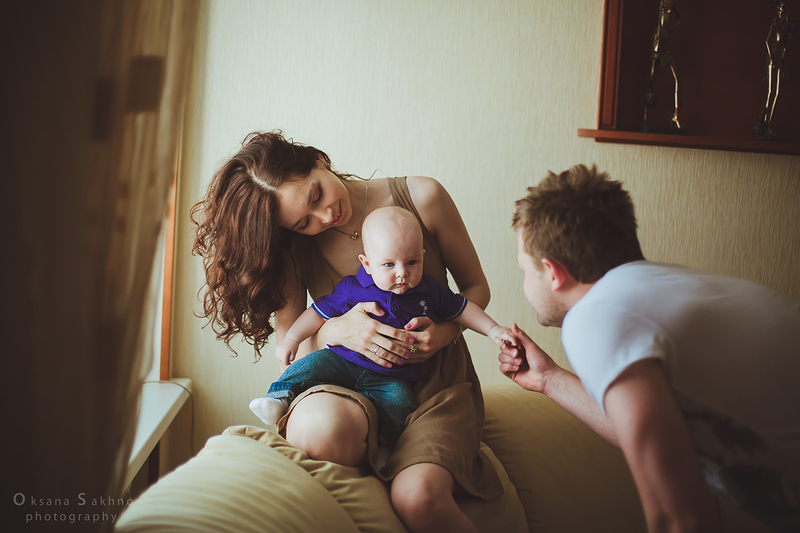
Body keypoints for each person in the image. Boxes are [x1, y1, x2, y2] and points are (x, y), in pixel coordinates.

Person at [191, 131, 503, 533]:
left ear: (319, 161)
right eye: (303, 222)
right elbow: (293, 347)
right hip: (348, 380)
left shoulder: (422, 197)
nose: (324, 217)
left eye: (317, 195)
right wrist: (337, 331)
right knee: (318, 429)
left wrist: (443, 334)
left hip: (435, 384)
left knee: (419, 497)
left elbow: (476, 289)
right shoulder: (292, 248)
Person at [499, 164, 800, 533]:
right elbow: (667, 439)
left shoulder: (595, 316)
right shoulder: (658, 287)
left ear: (552, 272)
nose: (525, 284)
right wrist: (549, 379)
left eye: (524, 270)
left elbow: (680, 519)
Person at [249, 206, 515, 450]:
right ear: (366, 264)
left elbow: (464, 309)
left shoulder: (430, 291)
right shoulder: (353, 288)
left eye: (412, 262)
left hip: (391, 376)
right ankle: (277, 399)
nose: (402, 273)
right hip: (342, 361)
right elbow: (317, 312)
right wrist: (292, 339)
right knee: (310, 366)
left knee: (400, 403)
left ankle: (385, 448)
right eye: (389, 264)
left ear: (422, 257)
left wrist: (493, 330)